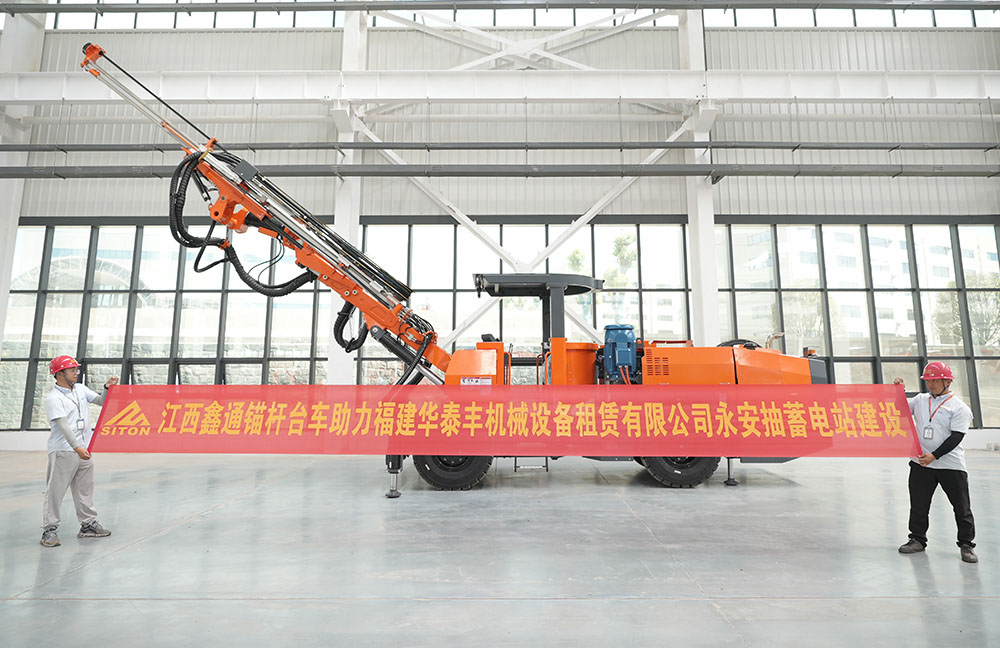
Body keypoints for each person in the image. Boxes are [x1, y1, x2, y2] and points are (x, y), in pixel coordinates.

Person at [893, 361, 977, 563]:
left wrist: (935, 455)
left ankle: (966, 545)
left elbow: (956, 437)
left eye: (935, 381)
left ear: (947, 381)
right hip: (921, 464)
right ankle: (917, 539)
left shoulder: (959, 408)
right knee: (919, 504)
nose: (931, 385)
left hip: (950, 465)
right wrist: (898, 391)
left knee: (961, 507)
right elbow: (900, 409)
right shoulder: (920, 400)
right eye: (928, 381)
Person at [40, 355, 120, 548]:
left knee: (85, 489)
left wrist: (107, 388)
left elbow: (101, 401)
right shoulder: (54, 398)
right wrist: (77, 447)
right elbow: (63, 426)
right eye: (72, 370)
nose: (76, 373)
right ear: (59, 374)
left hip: (84, 449)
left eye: (76, 369)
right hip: (64, 450)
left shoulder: (81, 389)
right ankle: (49, 530)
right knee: (55, 491)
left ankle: (88, 525)